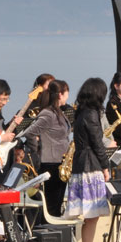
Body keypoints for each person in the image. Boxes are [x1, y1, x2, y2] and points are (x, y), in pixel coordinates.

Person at [64, 77, 110, 242]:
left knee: (89, 215)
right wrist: (106, 166)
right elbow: (98, 143)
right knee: (92, 215)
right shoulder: (91, 113)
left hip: (81, 163)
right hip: (90, 167)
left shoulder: (81, 111)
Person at [21, 80, 70, 216]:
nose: (68, 97)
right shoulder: (48, 113)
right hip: (51, 163)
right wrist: (39, 146)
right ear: (60, 95)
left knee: (57, 204)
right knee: (51, 206)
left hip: (61, 163)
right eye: (67, 93)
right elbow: (29, 132)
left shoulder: (59, 112)